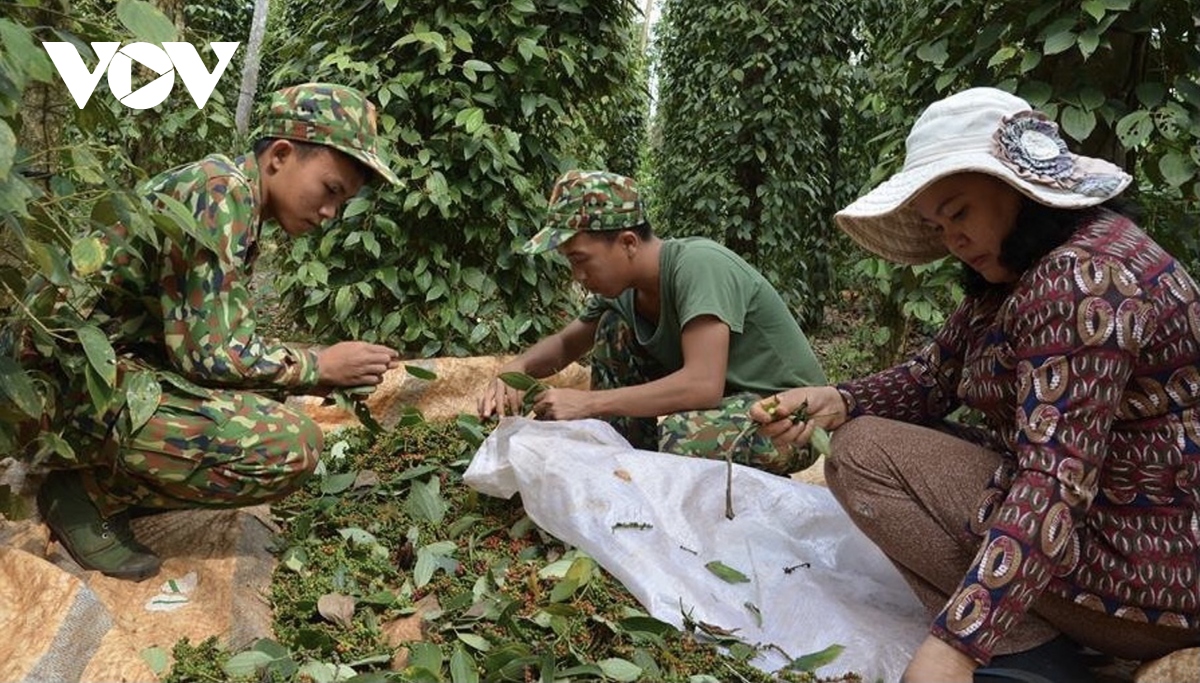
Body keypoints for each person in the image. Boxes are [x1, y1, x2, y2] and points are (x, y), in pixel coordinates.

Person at [749, 86, 1200, 682]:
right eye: (937, 226)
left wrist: (957, 646)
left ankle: (1030, 657)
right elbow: (933, 379)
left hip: (1154, 578)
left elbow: (1056, 481)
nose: (952, 239)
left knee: (863, 456)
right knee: (863, 431)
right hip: (1133, 546)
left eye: (959, 212)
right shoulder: (1018, 273)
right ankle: (1034, 634)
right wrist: (839, 400)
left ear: (1021, 191)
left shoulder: (1079, 280)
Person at [28, 83, 403, 581]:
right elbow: (212, 355)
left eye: (343, 201)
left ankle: (111, 474)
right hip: (53, 383)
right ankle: (87, 494)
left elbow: (206, 339)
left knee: (263, 398)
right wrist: (319, 365)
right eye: (331, 190)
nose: (331, 213)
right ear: (281, 155)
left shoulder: (231, 192)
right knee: (290, 445)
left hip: (92, 367)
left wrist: (300, 374)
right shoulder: (221, 192)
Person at [477, 170, 827, 473]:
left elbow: (702, 385)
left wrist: (588, 403)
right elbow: (567, 344)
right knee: (611, 330)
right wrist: (513, 371)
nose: (578, 275)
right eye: (570, 262)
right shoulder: (622, 293)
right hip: (726, 405)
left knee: (684, 435)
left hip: (787, 416)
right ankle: (629, 468)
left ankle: (742, 499)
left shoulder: (699, 266)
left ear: (628, 242)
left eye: (582, 260)